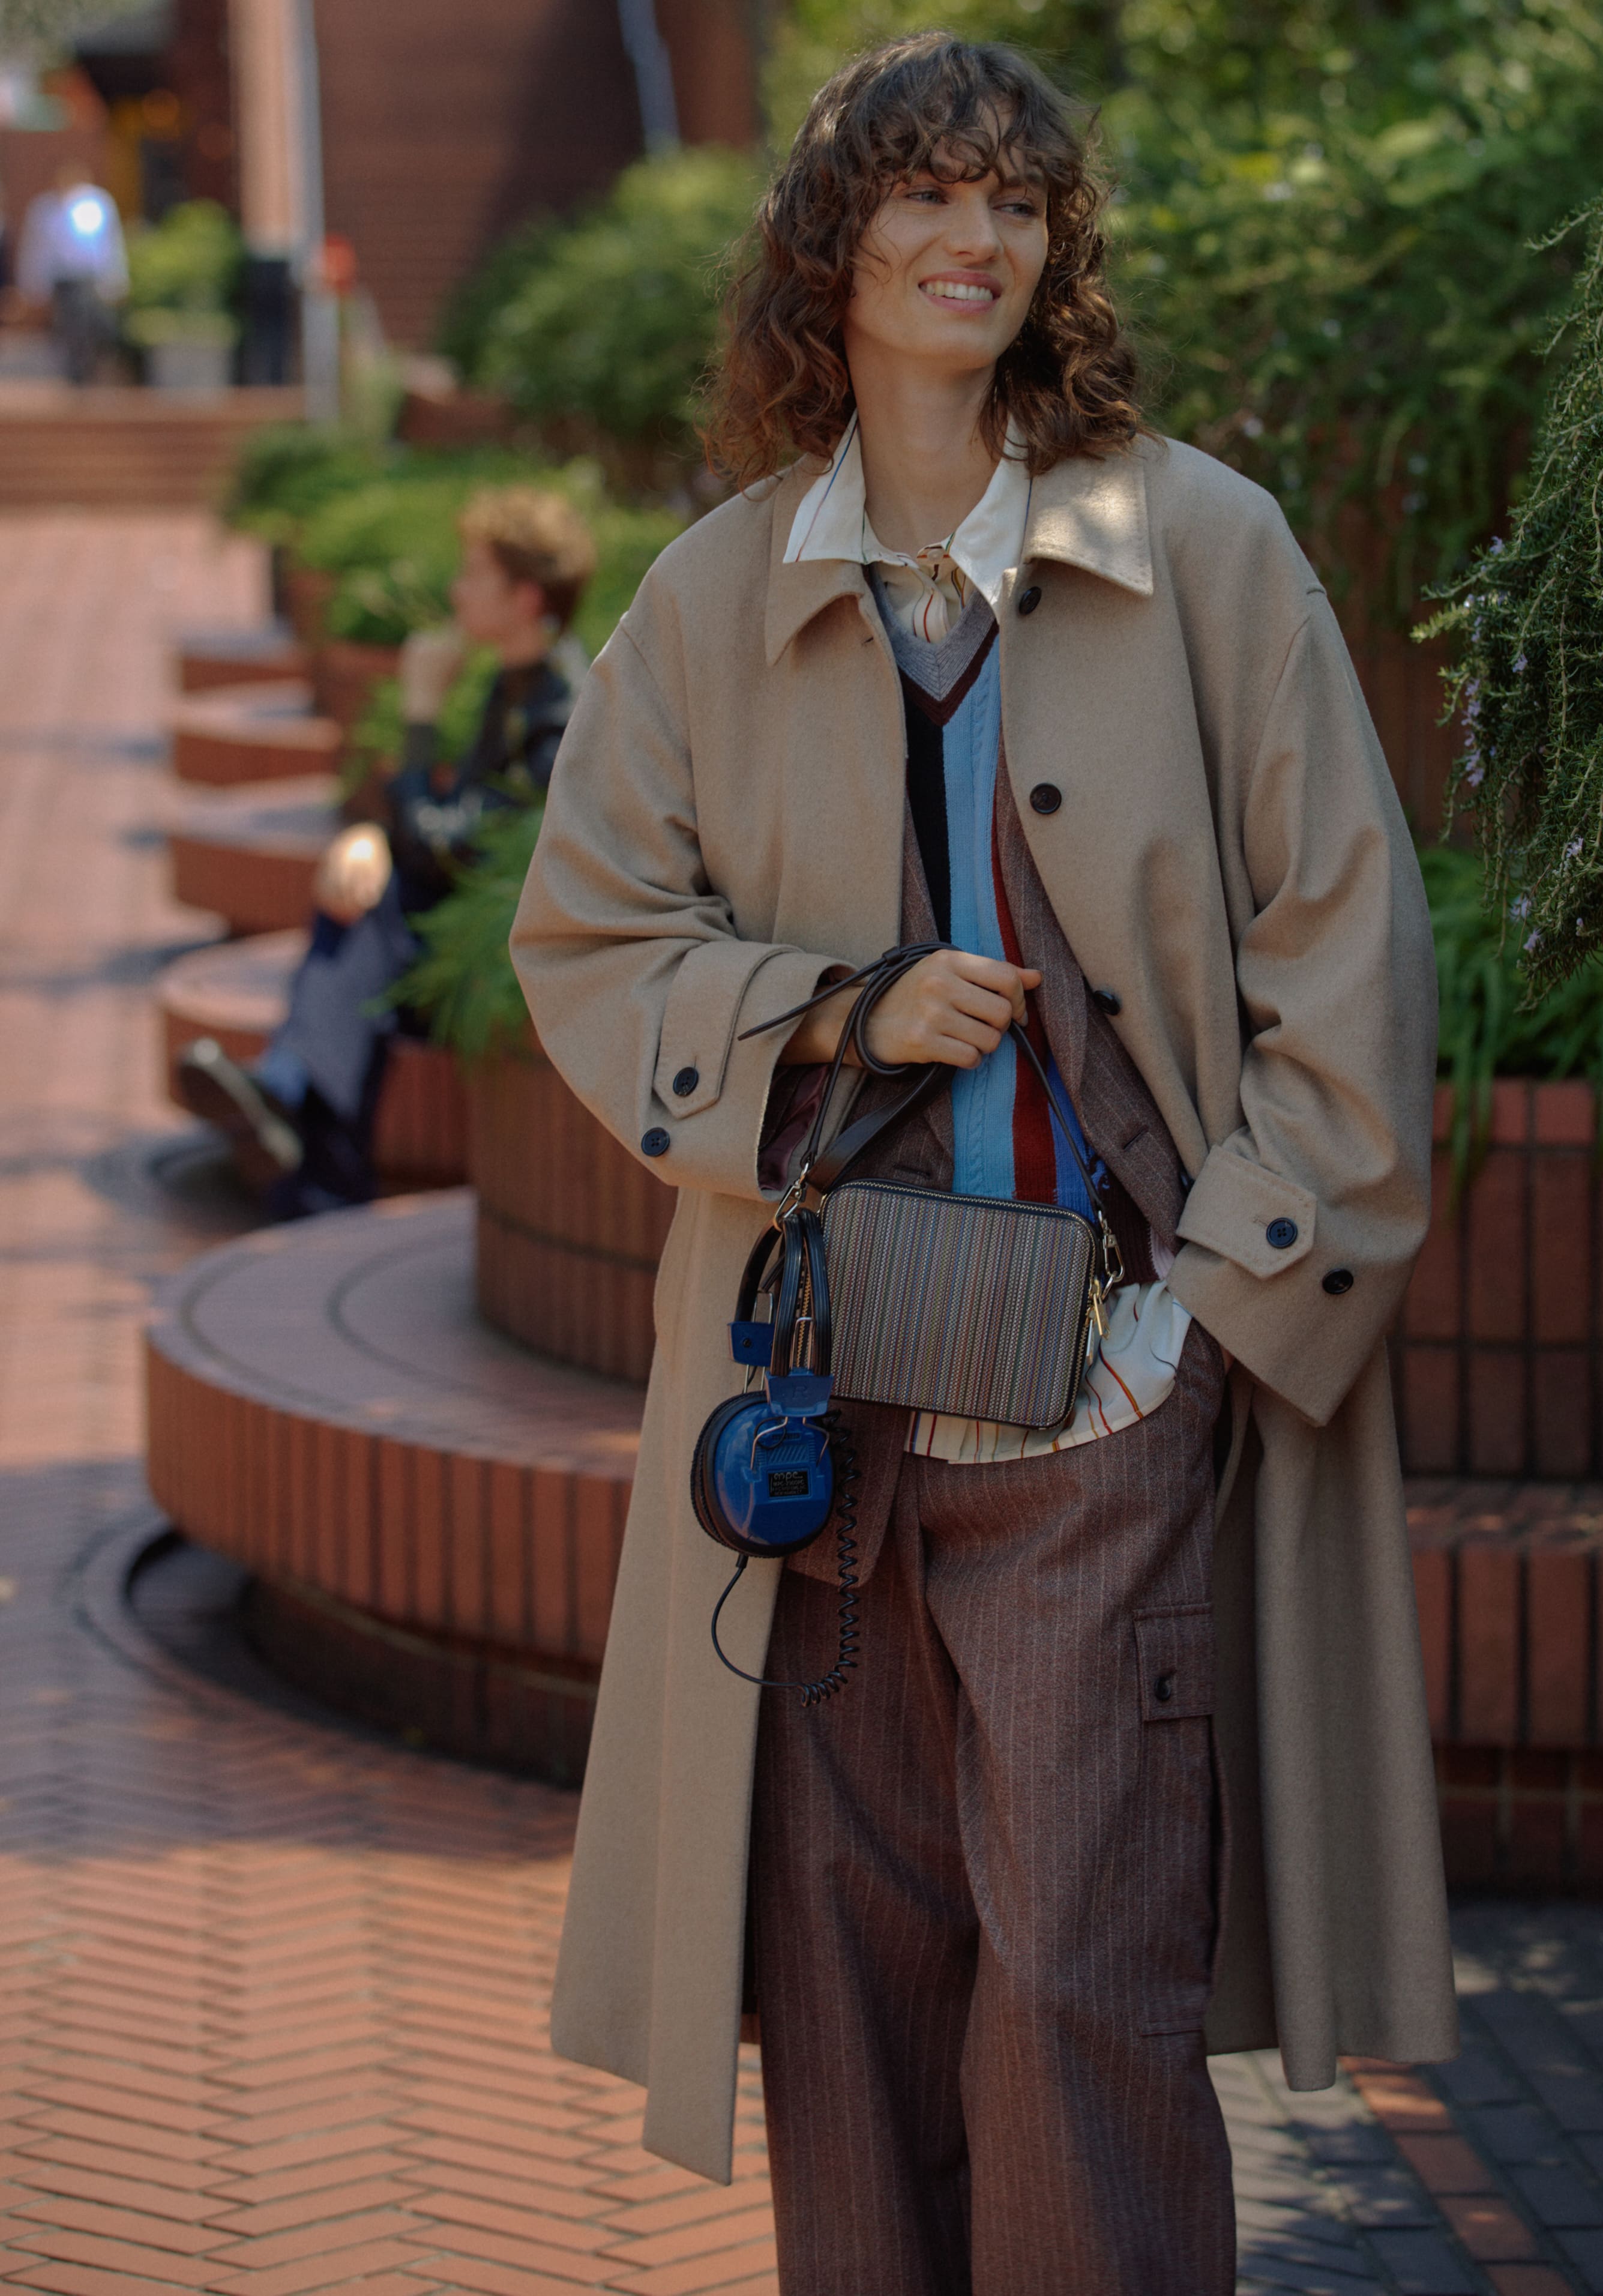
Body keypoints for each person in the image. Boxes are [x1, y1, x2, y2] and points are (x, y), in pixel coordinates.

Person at [511, 32, 1457, 2295]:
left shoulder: (1203, 548)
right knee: (846, 1988)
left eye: (1017, 204)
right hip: (820, 1410)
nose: (975, 239)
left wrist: (1207, 1321)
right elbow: (591, 938)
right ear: (829, 249)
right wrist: (831, 1008)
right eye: (925, 195)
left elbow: (1352, 953)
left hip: (1104, 1399)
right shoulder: (712, 596)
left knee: (1078, 1993)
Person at [178, 486, 594, 1216]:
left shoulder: (558, 711)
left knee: (370, 926)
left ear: (525, 597)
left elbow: (448, 851)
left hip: (505, 956)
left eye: (474, 574)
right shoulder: (518, 683)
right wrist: (371, 838)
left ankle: (300, 1121)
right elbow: (451, 835)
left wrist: (420, 714)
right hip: (452, 924)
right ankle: (306, 1141)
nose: (456, 591)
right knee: (365, 911)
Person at [15, 166, 128, 384]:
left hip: (88, 277)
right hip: (62, 279)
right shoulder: (45, 208)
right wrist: (33, 284)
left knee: (93, 323)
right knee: (69, 326)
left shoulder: (96, 204)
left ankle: (91, 368)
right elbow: (37, 249)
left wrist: (115, 278)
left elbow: (109, 243)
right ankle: (76, 372)